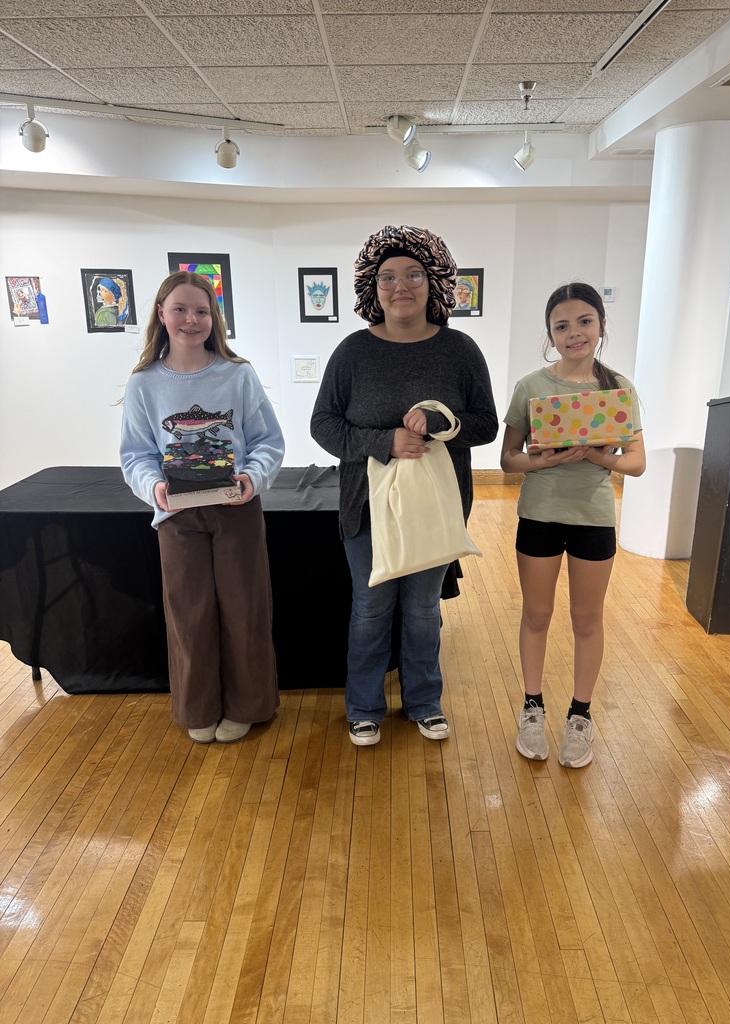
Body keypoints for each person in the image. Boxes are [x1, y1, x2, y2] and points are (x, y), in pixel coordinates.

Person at [310, 225, 498, 747]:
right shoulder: (351, 353)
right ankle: (364, 707)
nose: (401, 286)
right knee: (370, 608)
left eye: (413, 274)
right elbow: (323, 425)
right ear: (373, 286)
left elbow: (486, 424)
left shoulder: (460, 350)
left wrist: (440, 423)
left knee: (422, 609)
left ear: (433, 281)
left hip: (435, 506)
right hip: (364, 506)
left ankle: (424, 701)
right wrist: (383, 441)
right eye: (387, 276)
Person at [120, 270, 285, 744]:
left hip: (236, 508)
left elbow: (269, 443)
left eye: (201, 310)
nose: (191, 319)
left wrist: (252, 479)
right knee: (188, 613)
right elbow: (135, 454)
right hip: (176, 515)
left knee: (244, 608)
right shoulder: (144, 385)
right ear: (161, 315)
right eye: (180, 309)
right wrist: (154, 488)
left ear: (213, 317)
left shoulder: (238, 375)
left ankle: (248, 705)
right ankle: (197, 706)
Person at [500, 282, 646, 768]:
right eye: (561, 325)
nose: (574, 333)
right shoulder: (531, 387)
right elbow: (509, 459)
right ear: (550, 333)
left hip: (594, 517)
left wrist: (601, 456)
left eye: (584, 321)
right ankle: (532, 708)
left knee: (587, 619)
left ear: (601, 325)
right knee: (536, 614)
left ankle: (581, 716)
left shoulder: (619, 388)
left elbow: (638, 462)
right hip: (539, 514)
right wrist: (549, 459)